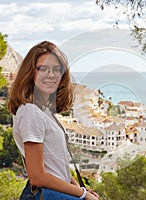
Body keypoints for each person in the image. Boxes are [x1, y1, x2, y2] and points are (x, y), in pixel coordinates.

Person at [8, 41, 99, 200]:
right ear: (30, 73)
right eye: (42, 68)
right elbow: (37, 176)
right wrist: (83, 194)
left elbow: (57, 167)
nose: (51, 75)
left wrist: (80, 192)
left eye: (56, 69)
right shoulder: (31, 112)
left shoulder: (44, 112)